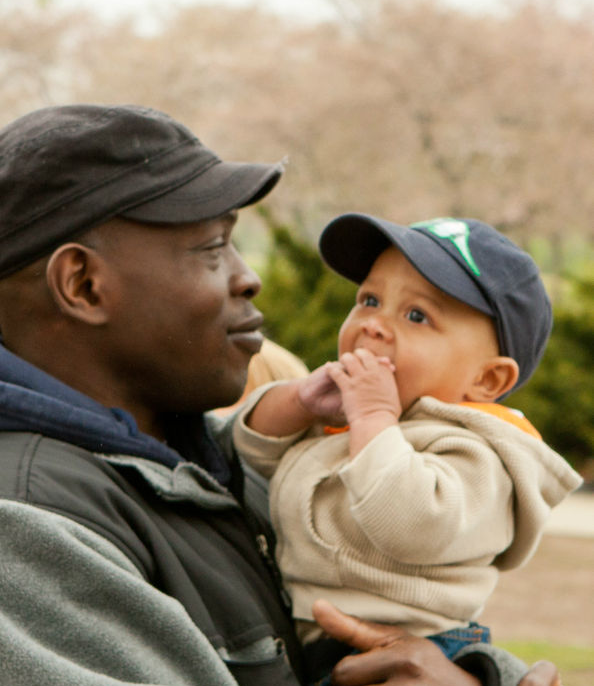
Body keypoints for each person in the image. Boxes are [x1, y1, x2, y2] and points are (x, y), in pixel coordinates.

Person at [0, 105, 590, 686]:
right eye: (211, 249)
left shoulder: (172, 461)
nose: (250, 275)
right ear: (82, 283)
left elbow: (374, 626)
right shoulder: (2, 530)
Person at [234, 215, 581, 651]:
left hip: (414, 654)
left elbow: (412, 522)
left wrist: (374, 416)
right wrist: (299, 402)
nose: (374, 324)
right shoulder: (361, 424)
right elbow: (249, 452)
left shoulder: (478, 454)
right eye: (369, 299)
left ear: (488, 381)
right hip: (316, 644)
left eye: (417, 315)